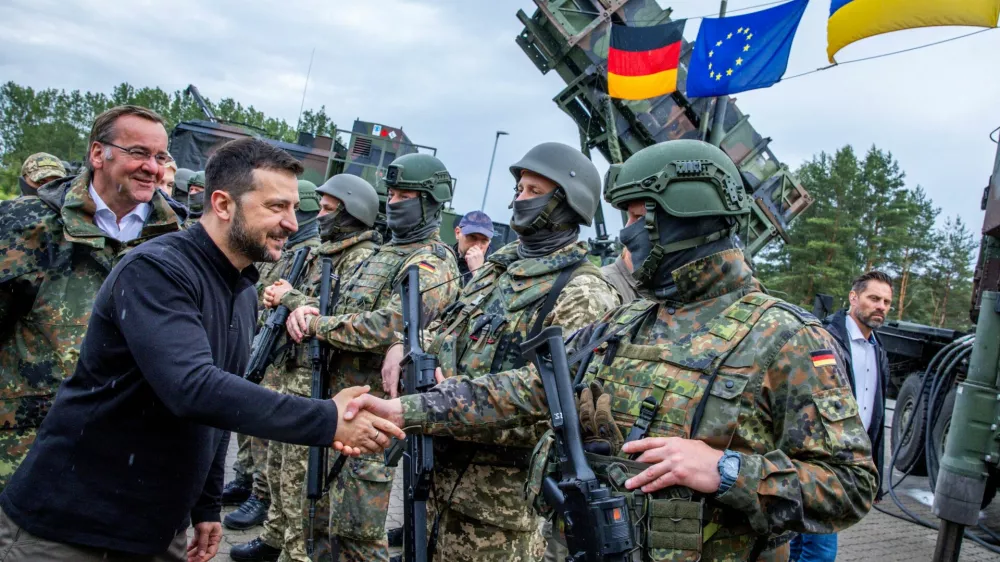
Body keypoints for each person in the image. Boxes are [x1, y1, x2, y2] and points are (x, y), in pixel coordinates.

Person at [346, 139, 878, 561]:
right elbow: (531, 385)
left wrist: (728, 469)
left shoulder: (784, 337)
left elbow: (852, 484)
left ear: (686, 215)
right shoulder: (629, 320)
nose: (627, 237)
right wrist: (406, 410)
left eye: (637, 216)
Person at [0, 137, 404, 562]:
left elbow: (218, 405)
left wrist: (207, 503)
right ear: (223, 204)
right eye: (275, 207)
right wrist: (327, 419)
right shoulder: (157, 270)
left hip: (157, 530)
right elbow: (193, 388)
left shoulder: (243, 290)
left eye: (292, 207)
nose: (292, 221)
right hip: (72, 529)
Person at [379, 141, 619, 562]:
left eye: (532, 190)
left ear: (565, 202)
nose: (518, 199)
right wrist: (403, 345)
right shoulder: (500, 267)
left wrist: (432, 406)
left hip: (496, 507)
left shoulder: (584, 290)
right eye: (519, 189)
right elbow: (450, 324)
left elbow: (542, 388)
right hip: (437, 477)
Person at [283, 153, 462, 562]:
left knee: (358, 533)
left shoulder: (431, 261)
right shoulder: (378, 254)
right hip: (336, 405)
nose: (394, 202)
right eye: (392, 195)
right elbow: (342, 305)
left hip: (372, 416)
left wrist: (319, 325)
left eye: (405, 196)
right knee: (321, 520)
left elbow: (387, 325)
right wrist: (301, 305)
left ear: (430, 202)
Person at [0, 105, 188, 491]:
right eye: (138, 153)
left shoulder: (178, 241)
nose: (151, 168)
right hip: (24, 453)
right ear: (98, 154)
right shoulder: (23, 225)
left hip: (128, 462)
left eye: (160, 157)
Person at [231, 174, 382, 562]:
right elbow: (295, 294)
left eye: (330, 210)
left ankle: (296, 553)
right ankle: (276, 537)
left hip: (318, 379)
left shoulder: (362, 258)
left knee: (300, 480)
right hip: (291, 369)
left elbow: (342, 314)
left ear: (353, 213)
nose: (322, 217)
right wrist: (278, 297)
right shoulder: (322, 252)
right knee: (280, 467)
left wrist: (291, 298)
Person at [225, 179, 323, 532]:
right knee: (247, 421)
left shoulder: (310, 252)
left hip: (284, 348)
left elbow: (306, 300)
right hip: (262, 336)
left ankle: (261, 493)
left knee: (265, 429)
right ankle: (246, 477)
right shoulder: (285, 247)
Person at [789, 271, 891, 562]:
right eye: (874, 298)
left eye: (886, 301)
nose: (881, 306)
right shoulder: (823, 338)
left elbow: (877, 418)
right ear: (853, 297)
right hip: (819, 460)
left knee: (798, 543)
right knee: (820, 550)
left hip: (850, 461)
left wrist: (875, 476)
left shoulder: (877, 349)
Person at [452, 210, 494, 285]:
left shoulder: (495, 270)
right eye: (472, 237)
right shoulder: (444, 260)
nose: (477, 246)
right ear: (458, 233)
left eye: (484, 241)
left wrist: (478, 272)